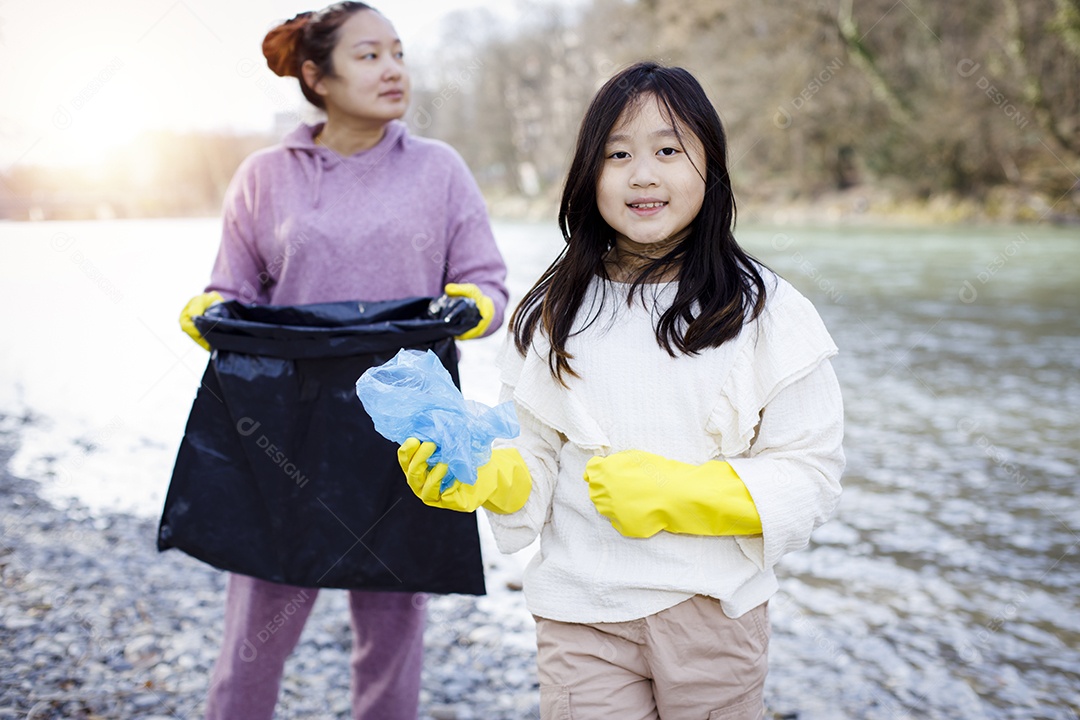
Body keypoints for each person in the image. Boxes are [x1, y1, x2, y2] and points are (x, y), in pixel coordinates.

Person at [398, 61, 845, 719]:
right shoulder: (551, 310)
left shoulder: (767, 310)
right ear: (588, 174)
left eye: (669, 150)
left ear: (710, 167)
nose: (644, 173)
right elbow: (535, 453)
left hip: (714, 611)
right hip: (580, 611)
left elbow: (812, 473)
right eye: (618, 154)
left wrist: (688, 497)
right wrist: (489, 474)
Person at [177, 3, 508, 719]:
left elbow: (490, 286)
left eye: (398, 52)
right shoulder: (266, 175)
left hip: (407, 434)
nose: (393, 69)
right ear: (315, 76)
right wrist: (208, 310)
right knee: (256, 632)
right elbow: (230, 290)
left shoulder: (438, 170)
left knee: (392, 632)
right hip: (286, 432)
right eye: (368, 55)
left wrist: (474, 307)